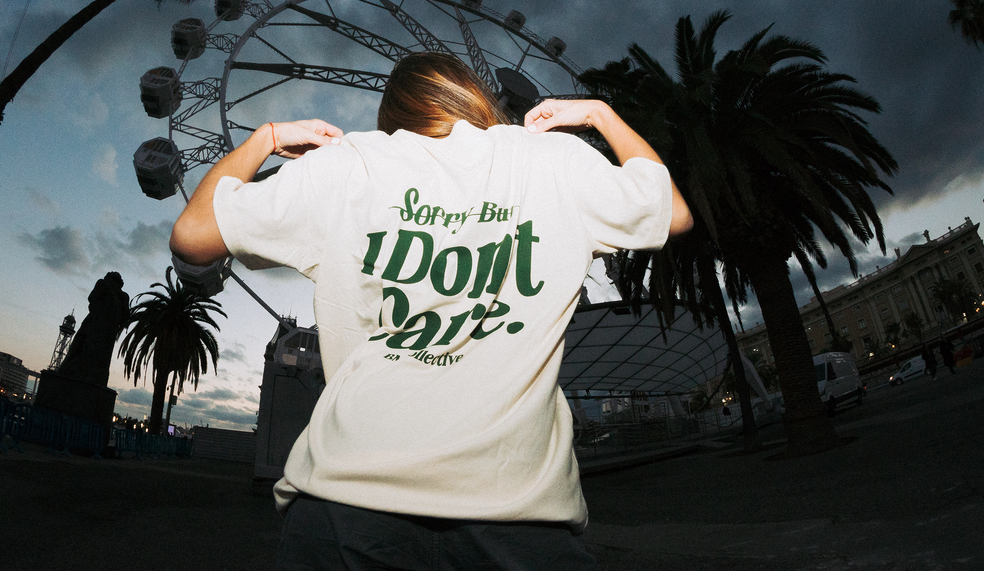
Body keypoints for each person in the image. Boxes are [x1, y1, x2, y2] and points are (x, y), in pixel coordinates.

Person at [169, 52, 692, 569]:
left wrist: (266, 138)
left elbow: (192, 236)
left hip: (347, 504)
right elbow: (673, 213)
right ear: (473, 95)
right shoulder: (553, 160)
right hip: (517, 511)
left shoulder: (349, 164)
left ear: (392, 113)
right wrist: (600, 113)